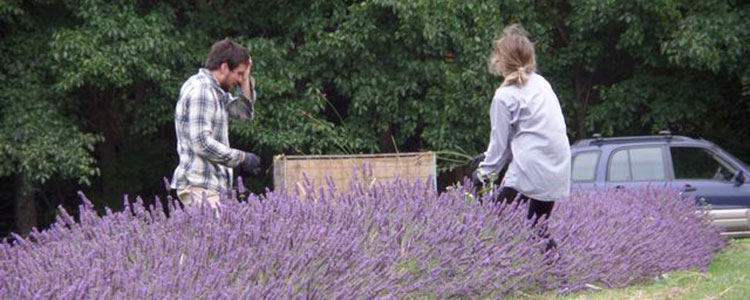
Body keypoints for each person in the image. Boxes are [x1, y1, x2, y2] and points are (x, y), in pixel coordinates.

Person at [473, 24, 571, 250]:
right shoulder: (542, 84)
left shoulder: (504, 96)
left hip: (529, 169)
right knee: (538, 228)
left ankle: (483, 273)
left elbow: (499, 146)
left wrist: (482, 173)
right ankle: (557, 277)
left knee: (490, 224)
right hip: (557, 167)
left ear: (501, 61)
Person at [170, 38, 261, 209]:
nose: (239, 80)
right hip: (199, 186)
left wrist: (247, 80)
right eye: (239, 73)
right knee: (221, 235)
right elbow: (202, 143)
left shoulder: (217, 91)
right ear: (224, 67)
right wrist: (241, 158)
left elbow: (244, 115)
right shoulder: (202, 91)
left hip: (212, 187)